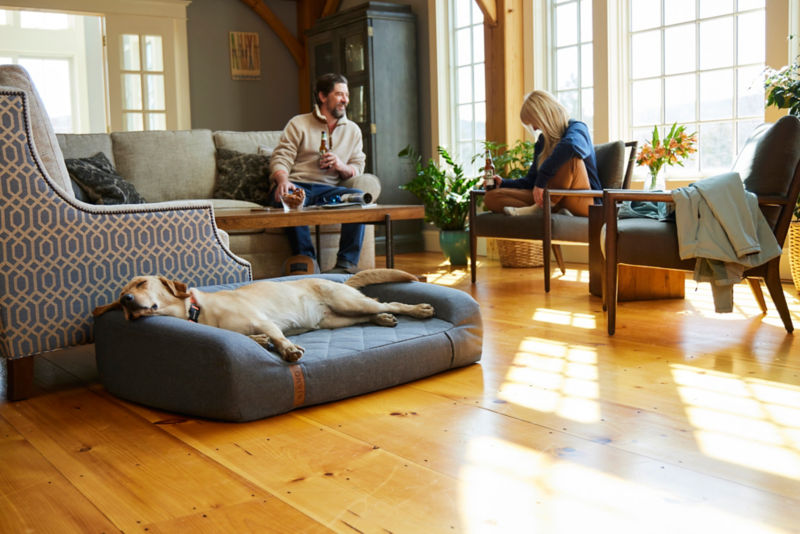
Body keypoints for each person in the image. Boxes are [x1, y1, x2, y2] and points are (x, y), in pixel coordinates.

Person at [269, 73, 373, 274]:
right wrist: (283, 180)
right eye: (339, 94)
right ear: (323, 96)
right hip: (298, 185)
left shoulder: (353, 130)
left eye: (347, 95)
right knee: (293, 198)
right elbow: (281, 157)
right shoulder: (299, 123)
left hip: (328, 191)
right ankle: (308, 264)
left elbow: (358, 166)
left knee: (359, 198)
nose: (345, 100)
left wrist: (341, 167)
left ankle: (346, 264)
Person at [483, 89, 600, 217]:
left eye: (533, 121)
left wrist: (542, 178)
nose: (533, 128)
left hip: (585, 201)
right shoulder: (542, 142)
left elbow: (570, 146)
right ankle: (545, 209)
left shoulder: (577, 128)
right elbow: (531, 181)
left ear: (544, 116)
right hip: (550, 200)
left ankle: (544, 208)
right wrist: (503, 183)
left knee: (571, 157)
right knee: (492, 197)